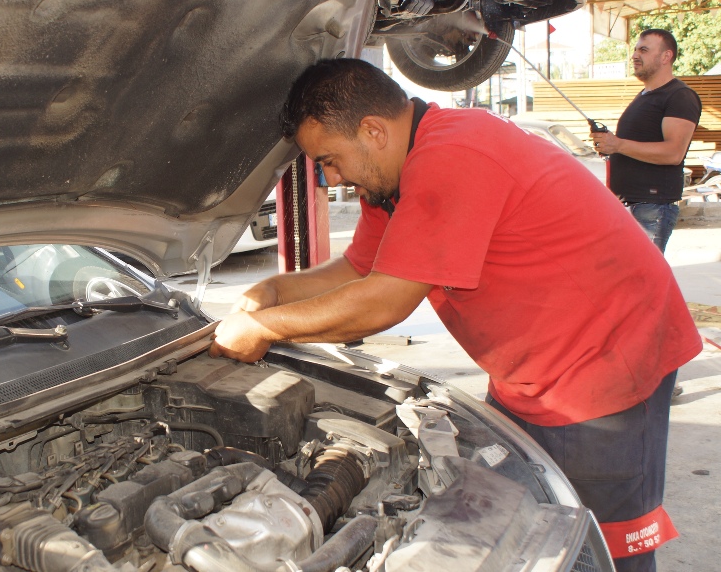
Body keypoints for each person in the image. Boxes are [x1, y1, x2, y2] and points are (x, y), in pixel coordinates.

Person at [208, 58, 702, 572]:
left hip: (603, 370)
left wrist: (264, 327)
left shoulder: (454, 153)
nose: (330, 177)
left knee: (596, 546)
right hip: (532, 370)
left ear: (373, 131)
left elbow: (384, 300)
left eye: (330, 159)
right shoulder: (395, 177)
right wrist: (275, 288)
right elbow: (361, 268)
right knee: (525, 525)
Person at [591, 29, 702, 253]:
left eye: (643, 49)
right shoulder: (645, 95)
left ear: (665, 57)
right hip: (630, 206)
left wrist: (619, 145)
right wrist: (611, 147)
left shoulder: (679, 96)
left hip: (651, 208)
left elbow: (673, 153)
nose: (634, 55)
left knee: (642, 283)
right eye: (635, 49)